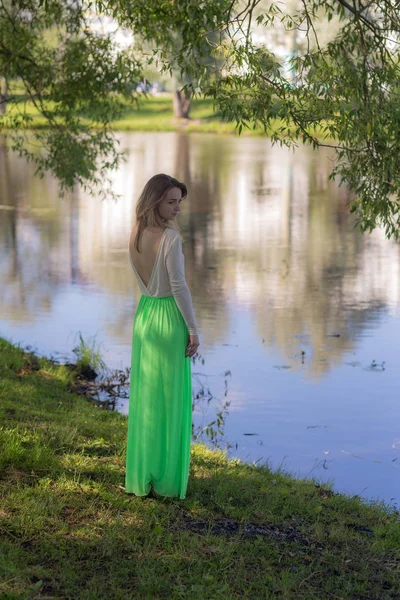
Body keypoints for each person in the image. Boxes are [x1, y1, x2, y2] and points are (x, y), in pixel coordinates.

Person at [124, 173, 200, 500]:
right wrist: (194, 329)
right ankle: (167, 481)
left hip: (145, 316)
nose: (177, 208)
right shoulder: (170, 238)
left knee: (148, 398)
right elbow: (179, 287)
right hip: (169, 317)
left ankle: (145, 474)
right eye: (171, 201)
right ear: (155, 201)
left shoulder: (136, 233)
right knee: (170, 400)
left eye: (179, 201)